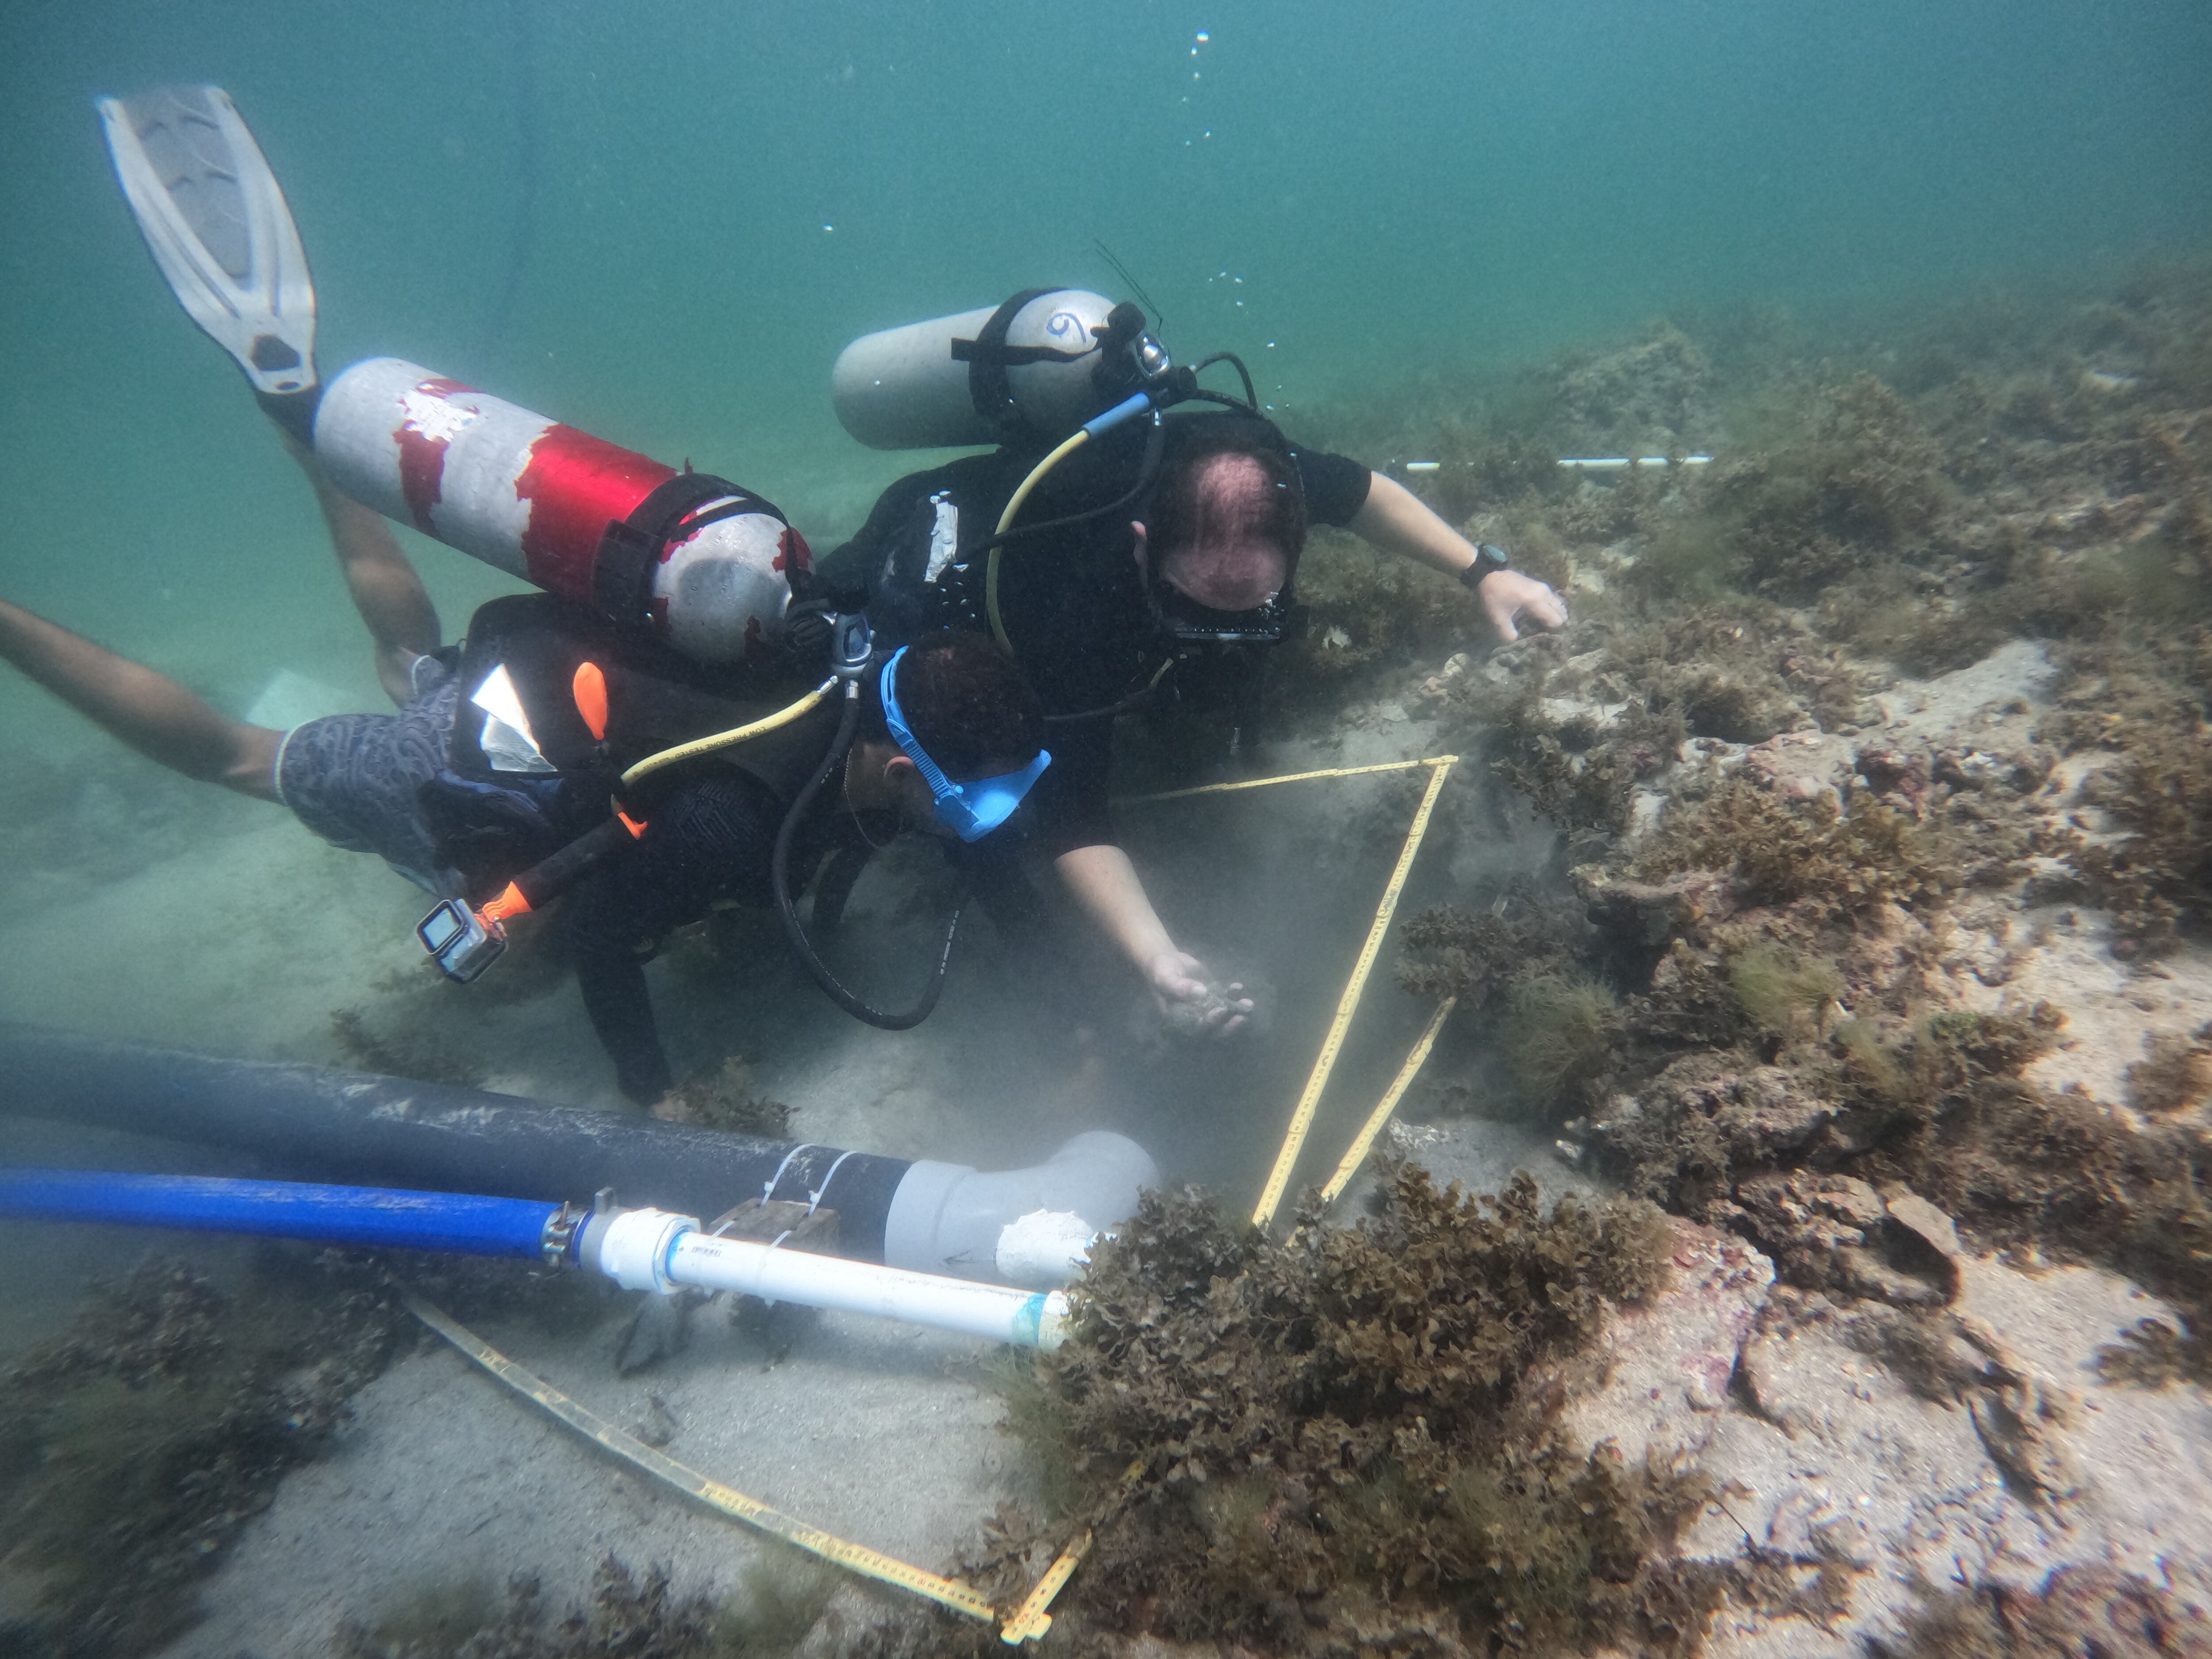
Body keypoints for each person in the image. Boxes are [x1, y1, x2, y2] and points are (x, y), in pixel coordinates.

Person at [0, 438, 1048, 1104]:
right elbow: (597, 934)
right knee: (245, 758)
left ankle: (317, 439)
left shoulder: (860, 664)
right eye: (967, 799)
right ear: (895, 760)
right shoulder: (736, 820)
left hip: (544, 682)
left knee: (410, 667)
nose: (974, 820)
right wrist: (652, 1097)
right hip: (470, 755)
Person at [820, 401, 1568, 1034]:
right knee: (987, 832)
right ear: (1144, 549)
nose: (1223, 631)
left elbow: (1365, 492)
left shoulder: (1270, 483)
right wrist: (1155, 953)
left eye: (1252, 609)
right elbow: (1071, 816)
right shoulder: (1073, 608)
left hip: (1136, 578)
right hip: (953, 539)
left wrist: (1485, 571)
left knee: (1204, 688)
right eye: (1198, 608)